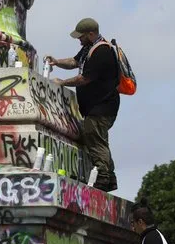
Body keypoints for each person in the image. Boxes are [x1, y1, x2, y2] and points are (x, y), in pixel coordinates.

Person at [45, 17, 120, 192]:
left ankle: (102, 179)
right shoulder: (90, 48)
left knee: (95, 141)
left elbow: (84, 78)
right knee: (99, 141)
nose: (79, 40)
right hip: (97, 107)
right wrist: (57, 61)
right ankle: (110, 178)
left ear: (91, 34)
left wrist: (62, 83)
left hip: (101, 107)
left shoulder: (102, 52)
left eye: (81, 36)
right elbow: (74, 62)